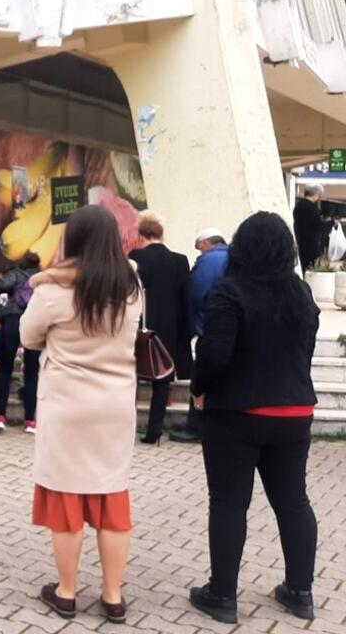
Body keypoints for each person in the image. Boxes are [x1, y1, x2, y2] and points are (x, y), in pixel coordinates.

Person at [187, 212, 320, 625]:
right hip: (294, 411)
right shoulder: (301, 293)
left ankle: (222, 595)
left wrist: (198, 390)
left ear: (241, 248)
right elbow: (306, 348)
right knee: (293, 501)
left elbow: (213, 353)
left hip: (237, 414)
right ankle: (300, 592)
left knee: (229, 503)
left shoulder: (230, 292)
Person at [19, 205, 142, 624]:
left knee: (67, 498)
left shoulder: (51, 289)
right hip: (115, 406)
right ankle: (113, 596)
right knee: (111, 499)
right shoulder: (131, 287)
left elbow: (28, 336)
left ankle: (67, 592)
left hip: (67, 406)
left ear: (71, 240)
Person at [127, 212, 194, 445]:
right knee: (162, 380)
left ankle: (128, 429)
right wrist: (187, 330)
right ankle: (154, 432)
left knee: (133, 378)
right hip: (171, 329)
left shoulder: (135, 257)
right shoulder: (180, 260)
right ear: (161, 235)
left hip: (141, 325)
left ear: (141, 235)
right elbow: (186, 298)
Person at [173, 228, 230, 444]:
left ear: (206, 243)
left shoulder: (208, 261)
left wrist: (192, 323)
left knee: (202, 376)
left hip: (209, 327)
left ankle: (196, 427)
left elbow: (196, 293)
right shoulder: (235, 256)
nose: (200, 252)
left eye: (200, 248)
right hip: (230, 330)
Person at [0, 253, 42, 434]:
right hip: (34, 323)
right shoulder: (42, 279)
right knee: (32, 373)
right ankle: (30, 421)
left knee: (5, 369)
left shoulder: (15, 274)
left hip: (12, 321)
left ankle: (0, 417)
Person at [293, 184, 330, 271]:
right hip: (312, 244)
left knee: (303, 267)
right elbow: (317, 224)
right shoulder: (312, 207)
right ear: (316, 194)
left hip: (300, 242)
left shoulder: (298, 206)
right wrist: (331, 223)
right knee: (312, 268)